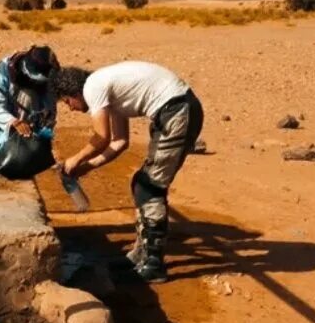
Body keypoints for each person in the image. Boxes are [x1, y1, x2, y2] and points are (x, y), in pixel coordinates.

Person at [51, 61, 204, 283]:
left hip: (177, 111)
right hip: (176, 110)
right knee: (142, 183)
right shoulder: (106, 92)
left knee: (150, 187)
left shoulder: (92, 86)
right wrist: (88, 166)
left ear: (74, 92)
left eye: (67, 102)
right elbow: (120, 141)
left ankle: (154, 265)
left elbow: (102, 137)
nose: (71, 108)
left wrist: (75, 159)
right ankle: (140, 254)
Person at [0, 45, 60, 169]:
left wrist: (45, 135)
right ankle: (18, 147)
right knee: (28, 95)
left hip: (35, 132)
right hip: (5, 138)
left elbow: (50, 111)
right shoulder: (3, 70)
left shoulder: (49, 76)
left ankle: (36, 149)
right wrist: (13, 122)